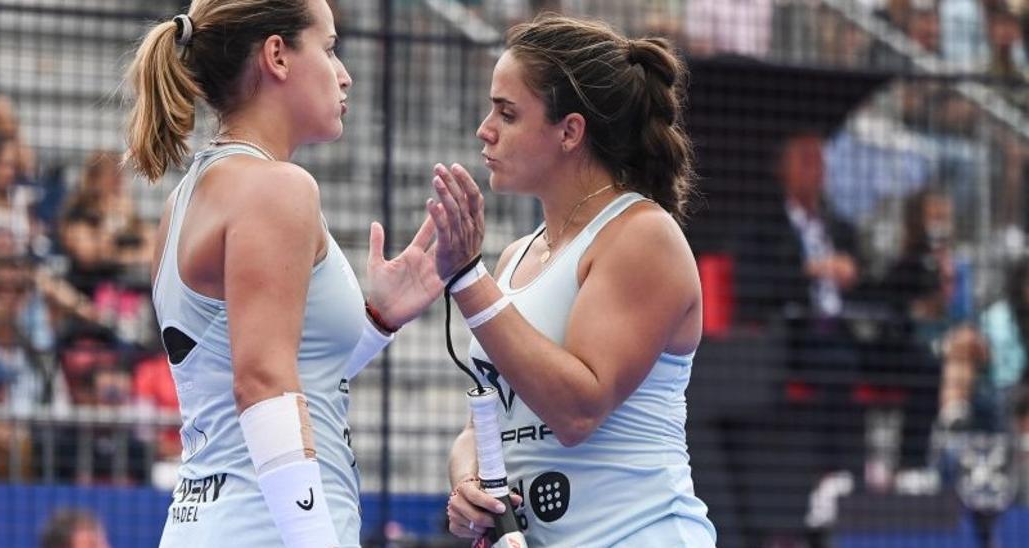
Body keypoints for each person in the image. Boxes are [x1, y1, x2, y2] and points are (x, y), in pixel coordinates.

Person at [125, 1, 443, 546]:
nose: (344, 74)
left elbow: (278, 370)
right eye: (330, 47)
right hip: (265, 528)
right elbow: (262, 384)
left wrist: (378, 320)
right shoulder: (277, 187)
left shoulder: (187, 198)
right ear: (277, 55)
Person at [428, 15, 716, 545]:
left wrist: (469, 279)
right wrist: (468, 481)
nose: (484, 129)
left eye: (507, 113)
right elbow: (488, 426)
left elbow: (578, 410)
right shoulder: (515, 256)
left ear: (570, 131)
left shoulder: (641, 234)